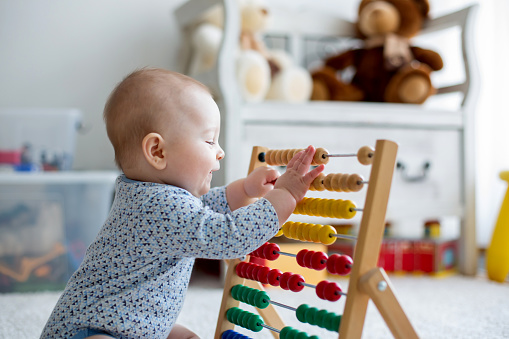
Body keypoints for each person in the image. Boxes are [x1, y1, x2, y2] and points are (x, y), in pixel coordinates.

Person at [40, 68, 324, 339]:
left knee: (187, 336)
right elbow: (228, 236)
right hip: (90, 329)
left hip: (136, 325)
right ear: (158, 151)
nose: (220, 152)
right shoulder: (157, 206)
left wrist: (246, 188)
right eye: (210, 141)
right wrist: (284, 196)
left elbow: (206, 209)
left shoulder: (153, 195)